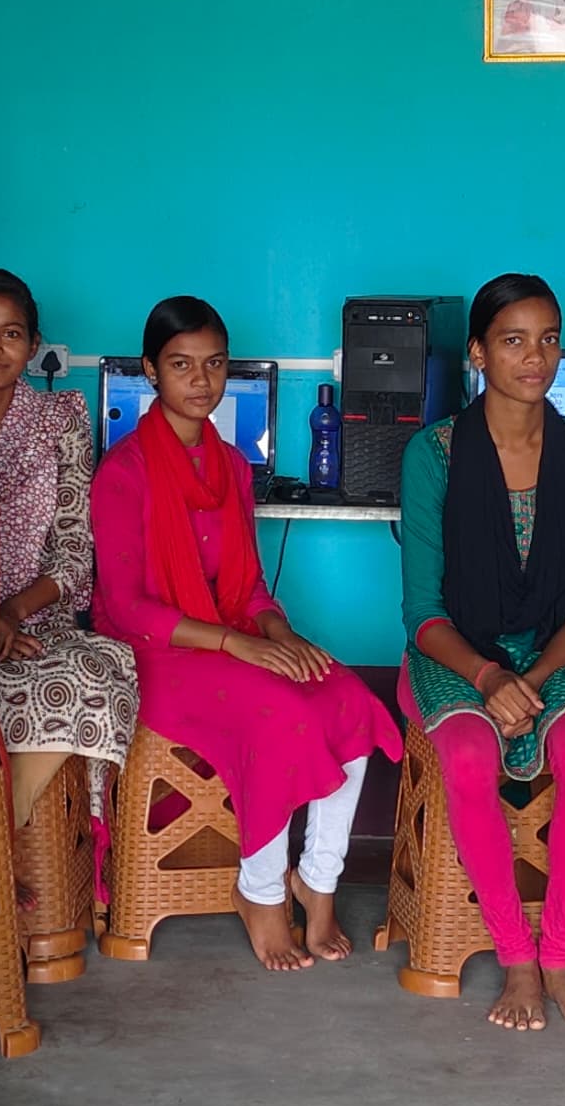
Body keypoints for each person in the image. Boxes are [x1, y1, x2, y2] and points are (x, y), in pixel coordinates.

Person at [91, 295, 398, 971]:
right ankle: (260, 890)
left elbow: (250, 585)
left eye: (214, 364)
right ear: (150, 370)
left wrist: (279, 634)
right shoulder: (124, 472)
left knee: (347, 697)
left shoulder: (230, 465)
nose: (200, 380)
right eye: (181, 365)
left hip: (227, 636)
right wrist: (240, 644)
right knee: (281, 711)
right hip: (153, 653)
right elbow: (128, 607)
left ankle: (317, 881)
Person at [399, 274, 565, 1037]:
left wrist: (531, 679)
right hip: (454, 656)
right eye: (513, 340)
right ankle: (516, 958)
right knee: (467, 754)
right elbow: (422, 613)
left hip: (557, 655)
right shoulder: (433, 454)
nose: (535, 357)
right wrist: (488, 675)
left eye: (548, 339)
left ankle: (559, 958)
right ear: (477, 353)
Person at [0, 269, 138, 848]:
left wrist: (9, 615)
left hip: (36, 623)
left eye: (11, 333)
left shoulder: (60, 418)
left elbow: (74, 550)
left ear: (33, 342)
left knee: (93, 679)